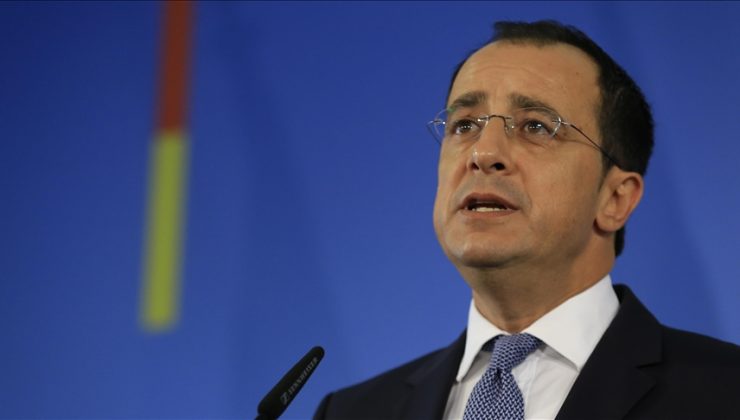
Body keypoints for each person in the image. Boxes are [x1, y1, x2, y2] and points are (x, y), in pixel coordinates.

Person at [313, 20, 740, 420]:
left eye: (535, 126)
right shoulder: (351, 412)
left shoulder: (725, 391)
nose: (483, 153)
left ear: (615, 198)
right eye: (464, 125)